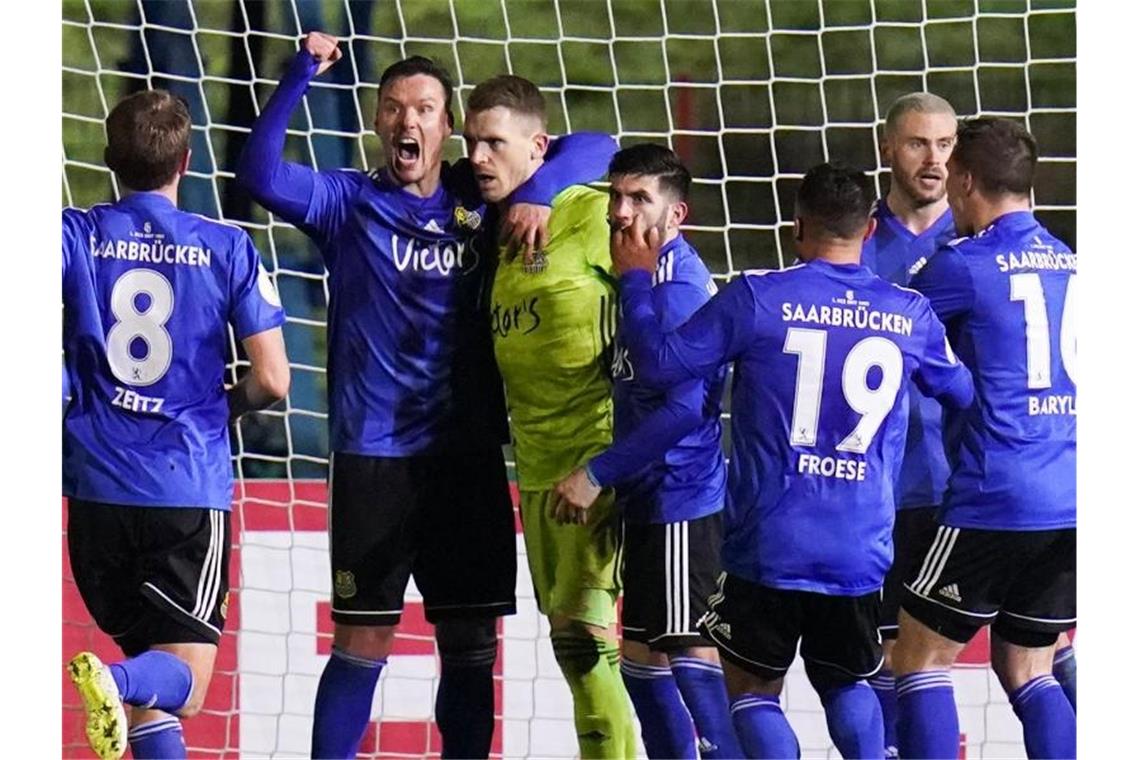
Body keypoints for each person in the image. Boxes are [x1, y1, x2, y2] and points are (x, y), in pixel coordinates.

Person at [236, 32, 616, 759]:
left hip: (468, 457)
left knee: (471, 642)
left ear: (449, 130)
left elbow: (597, 145)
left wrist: (537, 191)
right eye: (393, 108)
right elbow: (257, 172)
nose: (408, 121)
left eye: (425, 109)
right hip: (374, 457)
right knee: (363, 640)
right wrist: (298, 75)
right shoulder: (348, 203)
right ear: (379, 124)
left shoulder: (486, 196)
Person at [610, 162, 975, 759]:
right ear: (871, 227)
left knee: (752, 690)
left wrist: (634, 283)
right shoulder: (909, 313)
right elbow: (961, 396)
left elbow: (658, 367)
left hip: (768, 542)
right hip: (860, 545)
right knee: (845, 680)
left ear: (796, 224)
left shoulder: (756, 297)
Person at [64, 89, 290, 760]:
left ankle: (124, 679)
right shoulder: (226, 247)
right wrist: (231, 404)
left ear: (110, 160)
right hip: (183, 489)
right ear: (187, 161)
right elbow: (275, 379)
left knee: (150, 705)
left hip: (95, 491)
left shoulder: (73, 233)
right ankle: (115, 676)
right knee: (182, 682)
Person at [463, 74, 635, 758]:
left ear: (538, 147)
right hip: (533, 469)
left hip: (596, 458)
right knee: (572, 648)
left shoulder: (594, 211)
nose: (477, 156)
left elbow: (606, 144)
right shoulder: (491, 225)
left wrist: (543, 190)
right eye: (471, 141)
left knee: (595, 648)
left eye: (494, 143)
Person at [896, 116, 1076, 760]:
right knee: (1030, 668)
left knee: (917, 660)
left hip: (996, 492)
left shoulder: (965, 265)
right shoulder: (1075, 265)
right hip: (1074, 496)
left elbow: (887, 329)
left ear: (965, 181)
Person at [553, 143, 741, 760]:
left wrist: (596, 472)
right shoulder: (637, 276)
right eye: (617, 197)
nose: (621, 213)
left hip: (684, 503)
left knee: (689, 659)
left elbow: (685, 410)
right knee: (640, 662)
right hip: (650, 501)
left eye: (640, 199)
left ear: (676, 214)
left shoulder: (678, 287)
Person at [861, 91, 959, 758]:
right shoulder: (854, 238)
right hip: (868, 488)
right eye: (919, 144)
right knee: (874, 656)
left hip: (955, 487)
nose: (935, 160)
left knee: (1029, 650)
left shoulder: (982, 237)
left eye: (947, 145)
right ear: (887, 148)